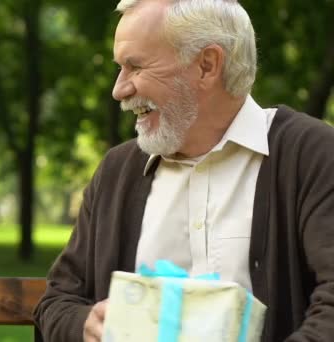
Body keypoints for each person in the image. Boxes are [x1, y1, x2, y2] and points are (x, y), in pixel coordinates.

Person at [33, 0, 334, 341]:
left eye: (135, 66)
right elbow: (56, 302)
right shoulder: (117, 173)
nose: (119, 89)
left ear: (207, 65)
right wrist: (85, 325)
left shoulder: (313, 156)